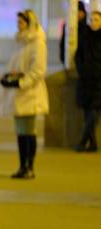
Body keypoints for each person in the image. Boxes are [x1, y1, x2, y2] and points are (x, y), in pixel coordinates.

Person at [0, 10, 49, 179]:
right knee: (21, 131)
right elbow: (16, 66)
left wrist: (19, 83)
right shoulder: (22, 42)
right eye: (18, 22)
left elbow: (38, 71)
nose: (18, 25)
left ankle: (30, 167)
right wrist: (8, 77)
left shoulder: (37, 43)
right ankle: (22, 166)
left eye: (21, 22)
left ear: (30, 24)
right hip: (20, 94)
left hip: (30, 94)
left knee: (28, 131)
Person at [74, 11, 101, 152]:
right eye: (92, 20)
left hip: (98, 82)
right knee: (87, 112)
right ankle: (93, 144)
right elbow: (78, 56)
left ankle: (82, 141)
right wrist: (82, 70)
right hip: (85, 81)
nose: (93, 22)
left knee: (94, 113)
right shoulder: (85, 37)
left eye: (96, 20)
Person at [59, 1, 87, 66]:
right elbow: (62, 43)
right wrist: (63, 58)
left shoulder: (86, 28)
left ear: (83, 13)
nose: (78, 14)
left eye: (80, 11)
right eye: (76, 11)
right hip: (68, 61)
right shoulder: (67, 26)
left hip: (83, 64)